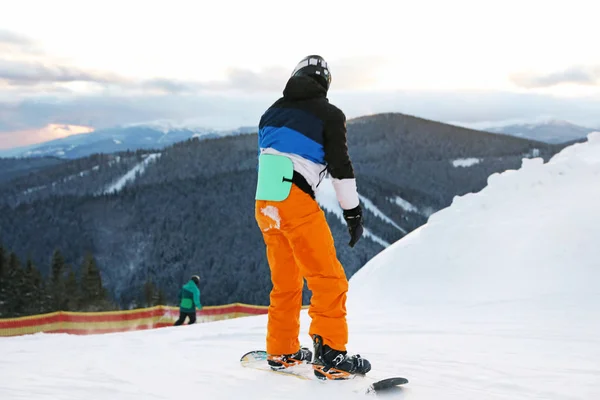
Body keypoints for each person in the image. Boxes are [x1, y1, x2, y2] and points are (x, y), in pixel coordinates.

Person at [254, 55, 371, 380]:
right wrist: (352, 212)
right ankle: (331, 353)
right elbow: (340, 167)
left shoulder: (270, 113)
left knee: (286, 282)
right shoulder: (329, 115)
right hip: (294, 199)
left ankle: (282, 350)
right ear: (325, 85)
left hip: (265, 201)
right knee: (328, 279)